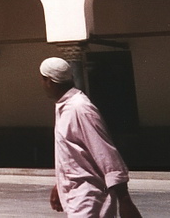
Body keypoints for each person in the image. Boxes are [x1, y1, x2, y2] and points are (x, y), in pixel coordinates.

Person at [40, 57, 143, 218]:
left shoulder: (80, 108)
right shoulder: (65, 106)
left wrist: (124, 198)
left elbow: (105, 152)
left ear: (48, 81)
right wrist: (60, 184)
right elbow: (74, 154)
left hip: (90, 198)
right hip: (77, 195)